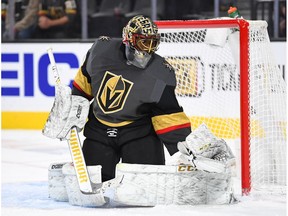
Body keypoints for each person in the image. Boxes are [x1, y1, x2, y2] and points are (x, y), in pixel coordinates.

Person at [71, 15, 192, 181]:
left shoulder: (161, 73)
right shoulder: (101, 51)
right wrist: (70, 111)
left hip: (139, 132)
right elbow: (83, 85)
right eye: (143, 41)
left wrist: (184, 149)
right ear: (128, 38)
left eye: (153, 42)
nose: (148, 48)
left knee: (147, 184)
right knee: (95, 180)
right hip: (99, 131)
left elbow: (167, 114)